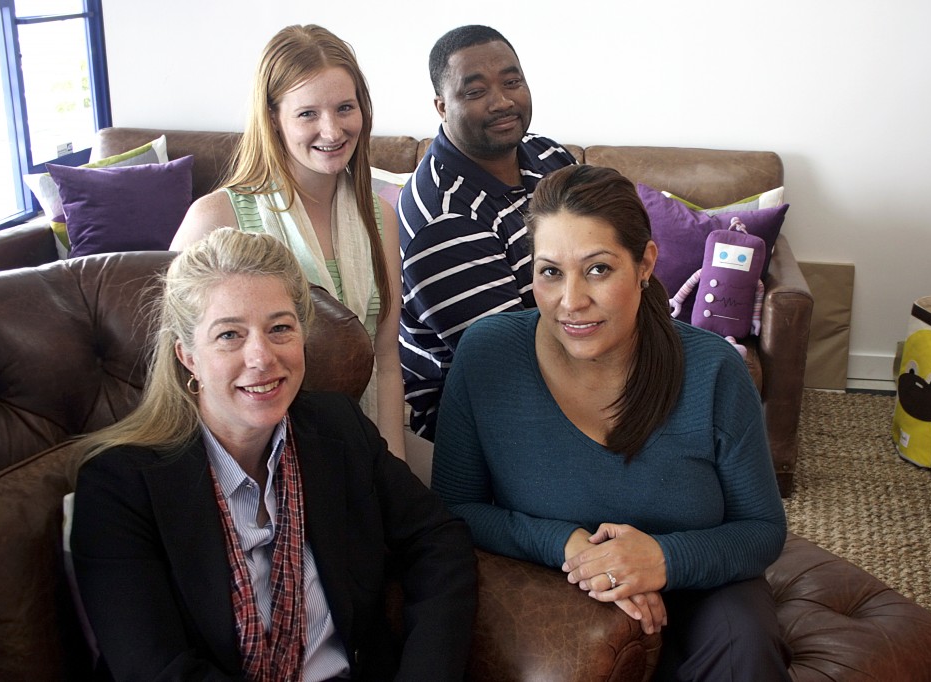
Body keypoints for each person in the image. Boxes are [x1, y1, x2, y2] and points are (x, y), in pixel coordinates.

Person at [431, 165, 791, 680]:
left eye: (598, 269)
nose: (571, 301)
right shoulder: (486, 355)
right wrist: (568, 546)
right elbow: (454, 508)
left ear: (645, 263)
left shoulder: (715, 370)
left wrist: (662, 559)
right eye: (550, 272)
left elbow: (762, 531)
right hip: (558, 584)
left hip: (703, 585)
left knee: (746, 652)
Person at [72, 228, 477, 681]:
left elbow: (438, 540)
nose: (261, 357)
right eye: (229, 335)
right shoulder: (118, 487)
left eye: (280, 328)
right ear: (188, 356)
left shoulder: (338, 427)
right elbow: (159, 671)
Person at [171, 24, 406, 458]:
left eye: (344, 108)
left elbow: (387, 363)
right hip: (253, 453)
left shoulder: (381, 218)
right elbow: (177, 366)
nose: (332, 131)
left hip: (360, 446)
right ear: (273, 118)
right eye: (308, 114)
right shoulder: (216, 218)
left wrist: (391, 477)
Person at [397, 24, 577, 441]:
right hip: (485, 419)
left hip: (570, 367)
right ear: (442, 107)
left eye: (512, 82)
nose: (502, 102)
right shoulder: (441, 218)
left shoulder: (548, 156)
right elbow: (517, 364)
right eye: (475, 91)